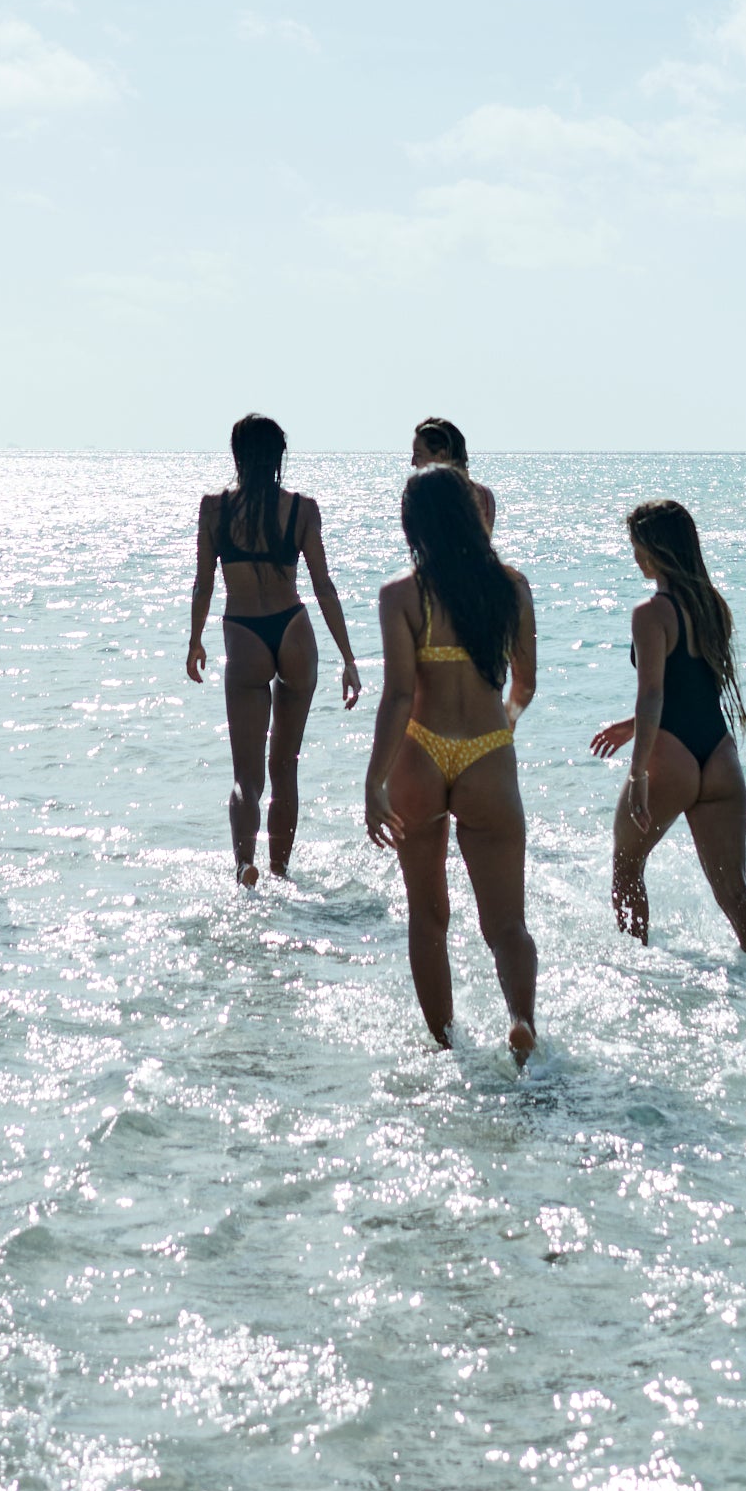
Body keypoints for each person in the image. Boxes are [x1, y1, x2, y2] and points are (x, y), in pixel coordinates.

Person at [364, 463, 539, 1066]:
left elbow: (398, 696)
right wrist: (501, 730)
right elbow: (525, 684)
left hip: (421, 753)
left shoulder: (399, 596)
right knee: (507, 925)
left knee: (428, 915)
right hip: (487, 752)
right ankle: (520, 1022)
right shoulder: (511, 588)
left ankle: (444, 1046)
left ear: (412, 523)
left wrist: (374, 780)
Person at [590, 497, 746, 963]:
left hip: (670, 759)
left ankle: (638, 972)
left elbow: (653, 693)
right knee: (735, 896)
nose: (634, 556)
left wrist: (637, 777)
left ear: (656, 548)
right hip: (719, 755)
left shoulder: (650, 613)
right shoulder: (714, 606)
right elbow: (691, 687)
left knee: (627, 868)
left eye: (636, 546)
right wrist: (633, 727)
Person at [186, 415, 361, 884]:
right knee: (285, 768)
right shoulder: (302, 509)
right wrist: (348, 658)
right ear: (280, 457)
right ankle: (282, 873)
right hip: (294, 630)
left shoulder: (213, 510)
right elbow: (323, 587)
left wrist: (195, 640)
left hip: (243, 633)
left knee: (247, 776)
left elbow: (204, 584)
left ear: (236, 456)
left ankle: (246, 864)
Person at [408, 416, 495, 531]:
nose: (413, 462)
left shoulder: (427, 497)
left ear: (442, 456)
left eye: (418, 455)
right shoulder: (485, 495)